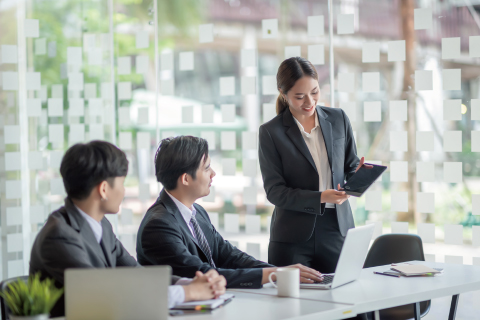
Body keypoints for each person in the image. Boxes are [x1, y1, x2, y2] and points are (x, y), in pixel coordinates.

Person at [29, 141, 226, 318]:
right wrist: (188, 293)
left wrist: (188, 284)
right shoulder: (59, 235)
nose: (124, 191)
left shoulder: (101, 225)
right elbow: (105, 295)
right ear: (104, 189)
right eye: (122, 183)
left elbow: (136, 274)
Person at [136, 136, 323, 288]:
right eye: (207, 167)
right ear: (185, 179)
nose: (213, 174)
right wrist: (275, 274)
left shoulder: (196, 212)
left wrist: (282, 273)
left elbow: (228, 255)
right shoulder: (159, 225)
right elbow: (203, 274)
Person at [258, 57, 371, 274]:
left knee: (344, 297)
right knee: (291, 305)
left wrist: (358, 175)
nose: (309, 102)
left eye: (315, 92)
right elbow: (275, 192)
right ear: (283, 93)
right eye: (299, 96)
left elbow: (350, 164)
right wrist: (320, 197)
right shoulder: (271, 132)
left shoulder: (338, 119)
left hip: (337, 229)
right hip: (292, 234)